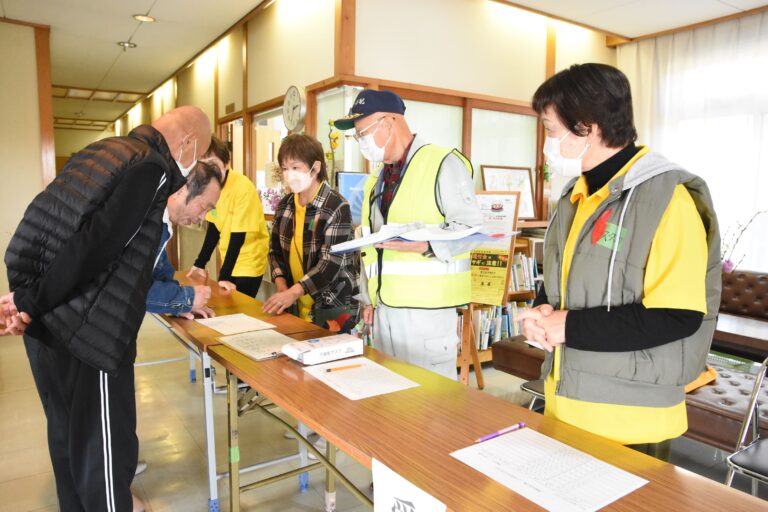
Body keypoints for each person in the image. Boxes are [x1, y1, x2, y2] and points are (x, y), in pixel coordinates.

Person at [1, 105, 220, 512]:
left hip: (51, 325)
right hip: (90, 335)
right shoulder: (151, 167)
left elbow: (43, 222)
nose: (191, 169)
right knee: (103, 457)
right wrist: (30, 300)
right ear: (187, 142)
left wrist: (29, 299)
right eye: (200, 154)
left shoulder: (104, 150)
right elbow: (99, 245)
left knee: (67, 444)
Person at [518, 63, 721, 456]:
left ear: (588, 126)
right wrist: (540, 313)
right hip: (568, 400)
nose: (547, 140)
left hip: (630, 416)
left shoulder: (668, 198)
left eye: (550, 127)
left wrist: (569, 327)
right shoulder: (573, 196)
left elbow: (679, 314)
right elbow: (560, 284)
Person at [333, 90, 483, 380]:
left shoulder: (443, 162)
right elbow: (372, 247)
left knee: (431, 405)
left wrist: (426, 244)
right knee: (391, 397)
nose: (360, 141)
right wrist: (368, 299)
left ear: (388, 124)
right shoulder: (376, 179)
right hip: (385, 309)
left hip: (427, 313)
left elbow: (471, 231)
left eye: (362, 132)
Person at [263, 133, 358, 329]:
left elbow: (329, 264)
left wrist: (293, 292)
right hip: (295, 305)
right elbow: (274, 251)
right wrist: (282, 286)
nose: (289, 174)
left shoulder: (336, 206)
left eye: (296, 167)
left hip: (332, 305)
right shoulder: (285, 205)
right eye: (285, 168)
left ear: (315, 168)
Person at [187, 136, 269, 298]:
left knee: (239, 309)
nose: (209, 171)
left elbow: (238, 237)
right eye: (203, 165)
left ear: (226, 164)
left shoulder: (242, 187)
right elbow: (214, 228)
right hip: (228, 258)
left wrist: (224, 276)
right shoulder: (211, 189)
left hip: (249, 261)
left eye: (213, 164)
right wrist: (200, 263)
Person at [146, 161, 221, 319]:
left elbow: (159, 273)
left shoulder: (162, 223)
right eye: (203, 207)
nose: (202, 217)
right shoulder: (146, 221)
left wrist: (182, 305)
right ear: (181, 190)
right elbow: (130, 286)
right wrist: (185, 298)